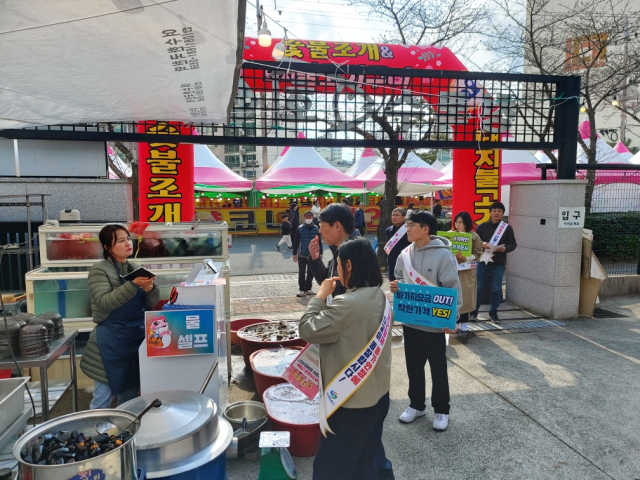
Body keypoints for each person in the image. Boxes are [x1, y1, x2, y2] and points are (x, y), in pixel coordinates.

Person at [308, 203, 394, 479]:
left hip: (350, 396)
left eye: (323, 224)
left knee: (334, 463)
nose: (319, 229)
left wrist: (319, 299)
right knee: (367, 454)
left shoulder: (352, 256)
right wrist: (316, 263)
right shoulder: (376, 293)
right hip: (375, 389)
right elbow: (335, 287)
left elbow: (308, 327)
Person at [390, 211, 462, 432]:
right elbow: (400, 278)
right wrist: (396, 285)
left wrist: (454, 318)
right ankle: (416, 405)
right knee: (413, 366)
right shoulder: (404, 253)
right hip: (411, 323)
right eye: (408, 225)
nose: (408, 229)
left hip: (435, 325)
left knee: (438, 368)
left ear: (426, 229)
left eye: (412, 225)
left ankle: (441, 410)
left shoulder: (443, 255)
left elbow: (453, 289)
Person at [80, 224, 160, 409]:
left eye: (128, 239)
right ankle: (98, 435)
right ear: (107, 247)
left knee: (130, 395)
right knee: (103, 397)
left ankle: (126, 432)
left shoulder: (136, 267)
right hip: (110, 341)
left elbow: (151, 303)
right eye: (121, 240)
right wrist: (133, 284)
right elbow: (103, 301)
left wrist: (150, 289)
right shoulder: (99, 270)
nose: (128, 243)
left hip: (134, 339)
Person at [469, 202, 517, 323]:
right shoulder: (481, 227)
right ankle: (474, 312)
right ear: (490, 212)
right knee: (478, 288)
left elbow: (513, 244)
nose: (496, 213)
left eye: (499, 211)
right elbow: (474, 244)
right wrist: (483, 244)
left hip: (498, 263)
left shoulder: (507, 228)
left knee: (496, 289)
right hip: (482, 262)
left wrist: (504, 248)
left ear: (503, 213)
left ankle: (493, 312)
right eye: (494, 210)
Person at [451, 211, 484, 342]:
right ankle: (454, 322)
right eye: (457, 222)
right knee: (452, 295)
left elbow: (479, 253)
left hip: (466, 271)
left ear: (467, 223)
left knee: (465, 295)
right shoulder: (450, 235)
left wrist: (467, 258)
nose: (458, 225)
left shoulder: (474, 236)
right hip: (452, 270)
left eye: (461, 222)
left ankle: (464, 323)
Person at [293, 211, 323, 297]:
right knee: (301, 272)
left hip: (312, 255)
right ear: (304, 218)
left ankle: (308, 288)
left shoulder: (316, 228)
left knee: (311, 272)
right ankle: (302, 289)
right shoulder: (300, 228)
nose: (308, 218)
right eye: (307, 217)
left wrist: (320, 252)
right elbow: (296, 242)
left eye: (310, 216)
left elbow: (319, 241)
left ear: (313, 217)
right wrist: (294, 253)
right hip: (302, 253)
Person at [384, 208, 410, 281]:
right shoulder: (388, 230)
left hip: (405, 259)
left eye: (397, 215)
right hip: (392, 260)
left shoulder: (408, 229)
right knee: (393, 281)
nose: (394, 217)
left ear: (403, 217)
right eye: (393, 215)